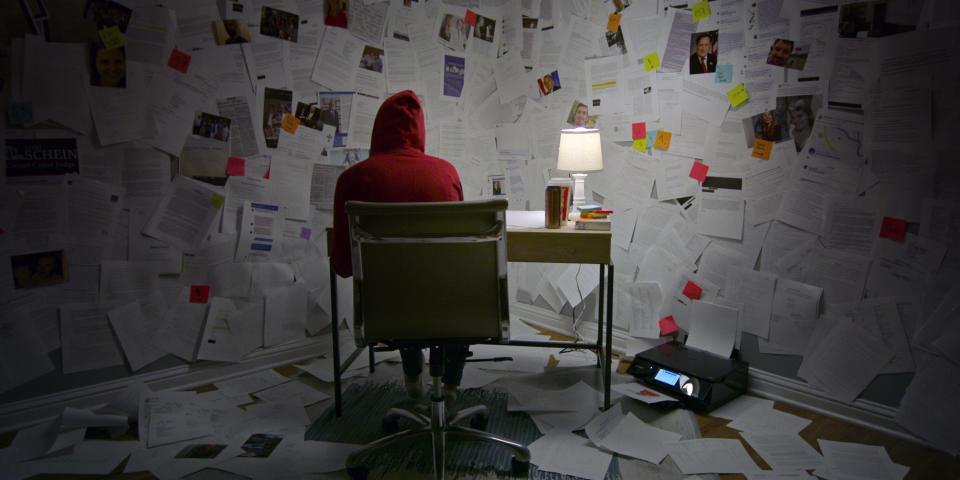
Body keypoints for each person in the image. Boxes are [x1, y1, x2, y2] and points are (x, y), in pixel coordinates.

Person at [332, 90, 465, 411]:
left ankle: (412, 373)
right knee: (444, 289)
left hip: (385, 311)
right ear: (420, 130)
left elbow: (344, 266)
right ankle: (449, 385)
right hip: (446, 306)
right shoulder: (446, 173)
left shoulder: (352, 178)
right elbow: (461, 257)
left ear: (378, 129)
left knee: (400, 288)